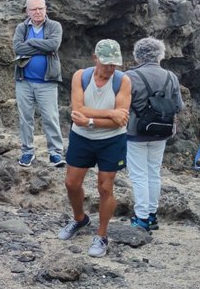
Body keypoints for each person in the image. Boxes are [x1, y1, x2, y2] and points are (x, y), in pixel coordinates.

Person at [57, 40, 132, 258]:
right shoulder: (81, 76)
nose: (110, 68)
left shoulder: (123, 81)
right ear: (95, 58)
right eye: (106, 63)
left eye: (114, 64)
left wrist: (90, 121)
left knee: (105, 187)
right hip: (81, 138)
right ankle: (80, 219)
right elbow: (77, 110)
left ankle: (102, 234)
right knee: (71, 183)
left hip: (111, 140)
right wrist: (110, 113)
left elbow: (121, 120)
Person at [124, 37, 185, 232]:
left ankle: (141, 218)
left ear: (137, 55)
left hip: (135, 131)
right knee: (153, 173)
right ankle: (152, 215)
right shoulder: (171, 76)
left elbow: (121, 105)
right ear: (160, 55)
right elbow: (179, 106)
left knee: (138, 175)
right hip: (162, 132)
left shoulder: (129, 76)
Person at [12, 0, 65, 168]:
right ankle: (27, 151)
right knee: (25, 118)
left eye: (40, 8)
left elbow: (53, 46)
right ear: (27, 11)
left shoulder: (54, 26)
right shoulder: (21, 28)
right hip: (24, 80)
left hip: (47, 82)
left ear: (45, 9)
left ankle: (55, 153)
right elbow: (18, 47)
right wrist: (42, 46)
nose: (37, 12)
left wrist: (32, 43)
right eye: (33, 9)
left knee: (50, 117)